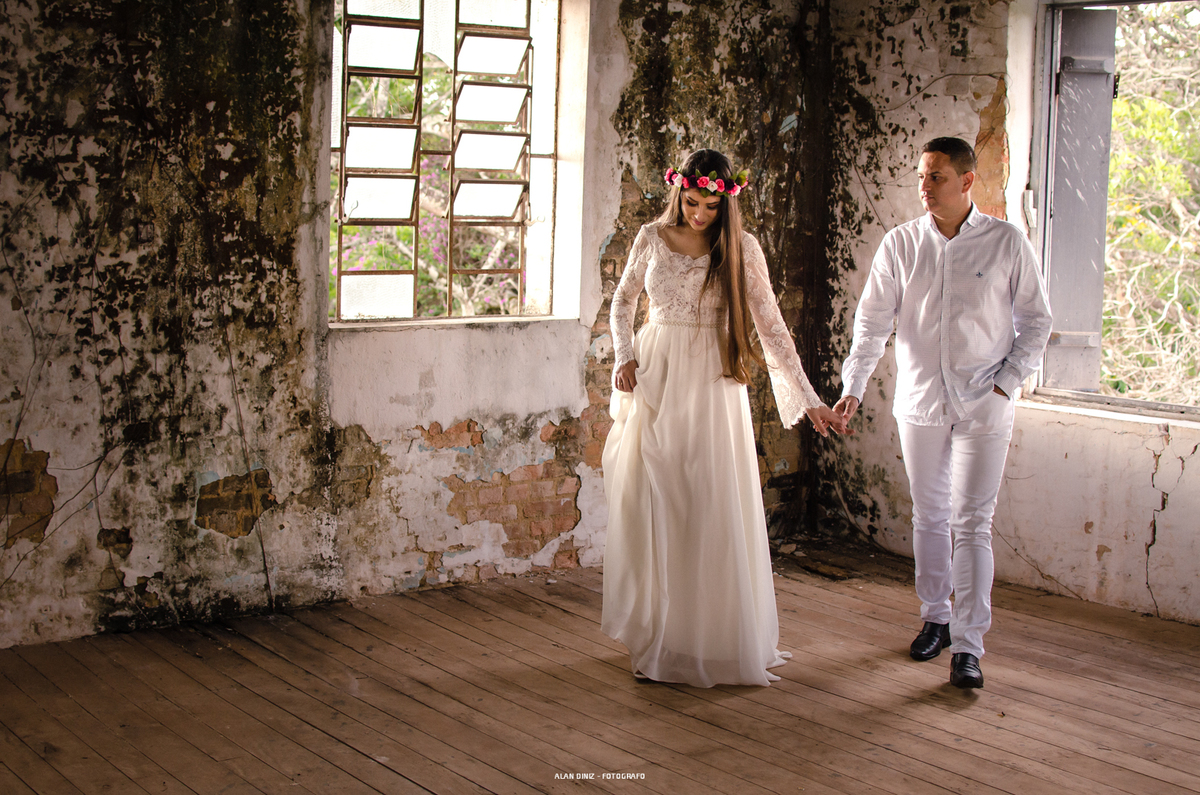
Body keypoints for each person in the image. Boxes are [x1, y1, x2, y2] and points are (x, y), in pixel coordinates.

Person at [601, 148, 849, 688]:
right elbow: (622, 304)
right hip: (656, 374)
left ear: (726, 203)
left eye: (711, 207)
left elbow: (773, 328)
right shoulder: (650, 237)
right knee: (656, 502)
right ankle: (662, 637)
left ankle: (710, 638)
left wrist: (811, 400)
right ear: (678, 193)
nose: (698, 215)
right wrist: (623, 356)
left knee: (707, 505)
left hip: (711, 384)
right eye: (691, 203)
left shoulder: (742, 247)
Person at [834, 137, 1052, 689]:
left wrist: (1004, 387)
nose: (923, 187)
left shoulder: (1006, 243)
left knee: (972, 523)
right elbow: (871, 326)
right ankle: (936, 619)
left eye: (935, 176)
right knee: (930, 517)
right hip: (921, 403)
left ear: (966, 180)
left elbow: (1037, 322)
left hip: (985, 405)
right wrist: (853, 388)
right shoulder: (900, 245)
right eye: (921, 176)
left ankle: (970, 647)